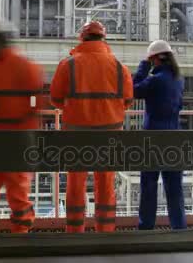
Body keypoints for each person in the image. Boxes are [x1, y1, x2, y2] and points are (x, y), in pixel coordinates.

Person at [50, 20, 133, 233]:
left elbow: (56, 99)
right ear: (104, 39)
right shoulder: (119, 67)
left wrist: (77, 110)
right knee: (106, 183)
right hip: (110, 134)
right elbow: (127, 100)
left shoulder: (67, 64)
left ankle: (74, 232)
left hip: (77, 133)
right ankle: (105, 232)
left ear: (82, 38)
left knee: (75, 182)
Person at [0, 21, 44, 235]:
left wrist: (20, 112)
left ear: (0, 40)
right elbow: (34, 101)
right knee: (10, 185)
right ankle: (14, 230)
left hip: (7, 136)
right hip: (10, 136)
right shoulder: (17, 67)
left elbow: (34, 101)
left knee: (1, 185)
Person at [133, 40, 187, 230]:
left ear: (155, 59)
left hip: (153, 138)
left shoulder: (155, 80)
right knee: (174, 187)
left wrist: (143, 66)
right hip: (174, 137)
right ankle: (179, 228)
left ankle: (146, 228)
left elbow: (133, 90)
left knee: (149, 185)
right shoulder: (179, 79)